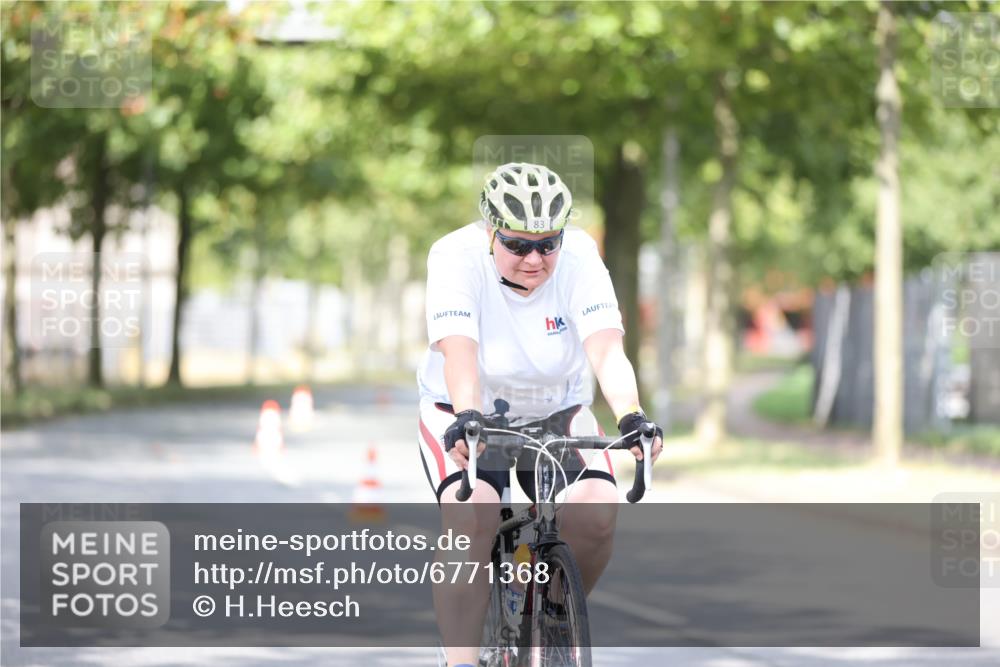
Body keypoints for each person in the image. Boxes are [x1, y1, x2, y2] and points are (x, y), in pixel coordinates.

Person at [416, 162, 663, 667]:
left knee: (596, 508)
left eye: (547, 243)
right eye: (517, 244)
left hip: (556, 409)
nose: (534, 258)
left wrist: (632, 415)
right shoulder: (454, 256)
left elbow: (606, 349)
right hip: (466, 408)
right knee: (474, 513)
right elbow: (459, 352)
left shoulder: (579, 257)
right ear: (490, 232)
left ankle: (554, 617)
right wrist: (466, 413)